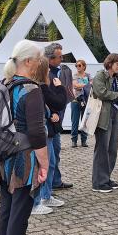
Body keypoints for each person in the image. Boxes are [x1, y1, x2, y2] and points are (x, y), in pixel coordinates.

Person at [0, 40, 50, 235]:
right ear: (28, 61)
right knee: (19, 216)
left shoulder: (4, 84)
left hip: (2, 157)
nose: (40, 64)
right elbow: (37, 132)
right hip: (23, 161)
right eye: (38, 59)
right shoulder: (31, 89)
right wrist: (45, 164)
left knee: (7, 212)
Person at [31, 56, 70, 215]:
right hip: (42, 131)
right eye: (47, 69)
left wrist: (51, 113)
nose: (49, 71)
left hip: (48, 129)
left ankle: (45, 196)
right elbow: (58, 102)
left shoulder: (42, 85)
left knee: (50, 163)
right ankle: (36, 201)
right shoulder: (40, 86)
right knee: (42, 165)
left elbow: (50, 105)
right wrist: (60, 87)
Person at [91, 53, 118, 193]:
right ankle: (98, 183)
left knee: (112, 148)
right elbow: (101, 93)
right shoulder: (100, 76)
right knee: (102, 149)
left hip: (115, 114)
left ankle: (106, 178)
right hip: (103, 115)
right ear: (110, 64)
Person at [45, 43, 75, 191]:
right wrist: (52, 112)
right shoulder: (46, 74)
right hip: (51, 120)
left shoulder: (58, 72)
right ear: (50, 58)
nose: (62, 59)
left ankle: (55, 181)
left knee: (55, 152)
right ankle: (46, 193)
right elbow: (47, 97)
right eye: (60, 57)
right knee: (49, 158)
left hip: (57, 119)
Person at [70, 59, 91, 148]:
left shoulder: (88, 75)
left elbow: (91, 85)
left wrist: (81, 85)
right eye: (76, 65)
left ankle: (84, 141)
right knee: (74, 121)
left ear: (84, 66)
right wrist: (85, 85)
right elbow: (75, 85)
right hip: (76, 100)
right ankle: (74, 141)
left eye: (79, 65)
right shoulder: (74, 75)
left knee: (85, 121)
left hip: (86, 100)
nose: (77, 67)